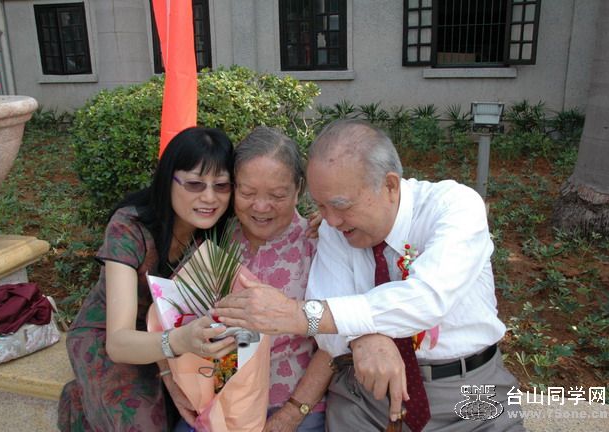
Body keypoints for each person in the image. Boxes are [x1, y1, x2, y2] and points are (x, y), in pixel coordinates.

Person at [213, 119, 526, 431]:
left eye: (341, 205)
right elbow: (328, 329)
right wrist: (365, 337)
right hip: (364, 394)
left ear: (389, 185)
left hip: (466, 389)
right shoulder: (331, 229)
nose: (331, 220)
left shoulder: (454, 207)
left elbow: (427, 298)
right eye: (322, 206)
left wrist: (298, 314)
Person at [58, 127, 238, 431]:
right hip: (114, 335)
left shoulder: (218, 231)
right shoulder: (130, 228)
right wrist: (176, 347)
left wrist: (315, 225)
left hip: (178, 332)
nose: (210, 197)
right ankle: (79, 404)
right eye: (194, 184)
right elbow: (119, 342)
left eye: (221, 185)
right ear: (168, 180)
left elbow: (272, 217)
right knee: (142, 423)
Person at [171, 126, 333, 432]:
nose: (260, 206)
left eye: (277, 195)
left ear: (299, 189)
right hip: (215, 403)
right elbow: (172, 312)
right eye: (247, 193)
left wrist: (292, 414)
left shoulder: (319, 244)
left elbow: (334, 342)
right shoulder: (215, 236)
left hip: (292, 406)